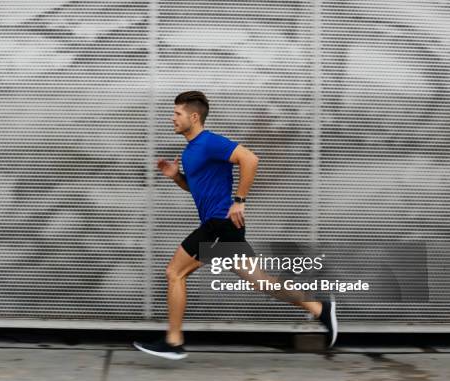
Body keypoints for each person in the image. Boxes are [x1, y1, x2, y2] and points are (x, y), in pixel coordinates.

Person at [133, 91, 337, 360]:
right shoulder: (190, 151)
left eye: (177, 114)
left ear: (194, 117)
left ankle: (173, 341)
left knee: (175, 273)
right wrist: (176, 177)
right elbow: (198, 190)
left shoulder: (209, 142)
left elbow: (250, 158)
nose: (172, 118)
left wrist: (239, 201)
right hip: (221, 227)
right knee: (262, 282)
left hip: (220, 224)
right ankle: (319, 308)